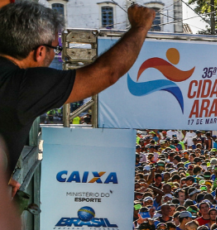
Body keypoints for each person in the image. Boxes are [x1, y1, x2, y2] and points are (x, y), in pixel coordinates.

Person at [0, 2, 156, 173]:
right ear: (40, 52)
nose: (54, 55)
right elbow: (108, 72)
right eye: (56, 48)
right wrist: (140, 27)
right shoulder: (25, 85)